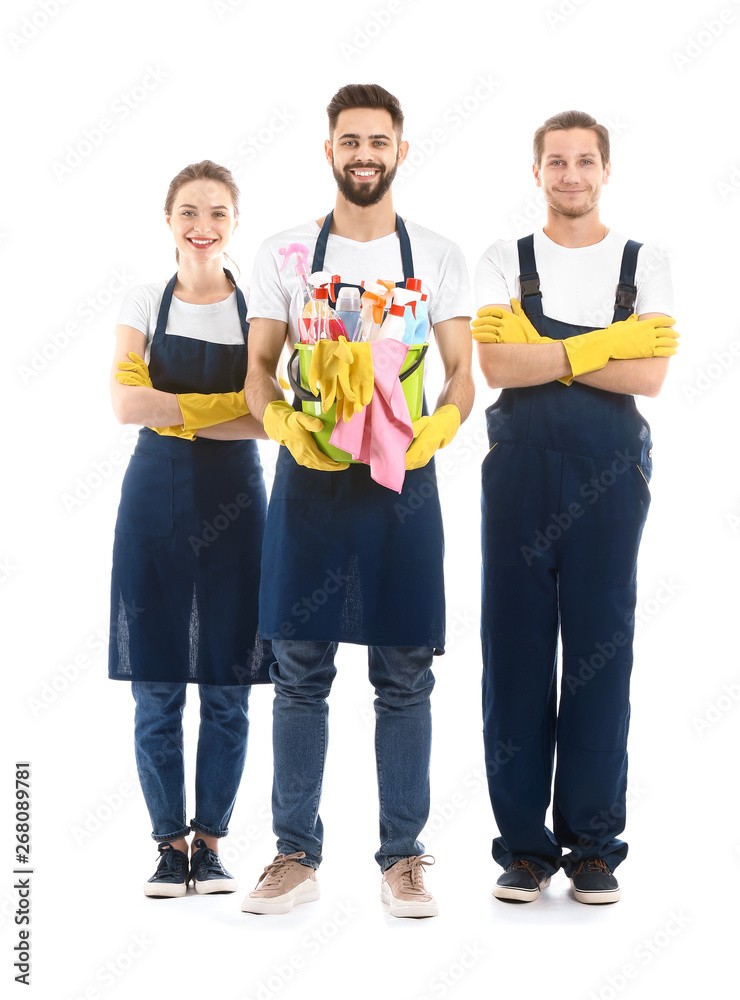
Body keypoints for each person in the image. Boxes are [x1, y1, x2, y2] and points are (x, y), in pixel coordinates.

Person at [241, 84, 473, 918]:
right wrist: (276, 418)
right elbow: (257, 364)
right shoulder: (285, 253)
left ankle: (403, 859)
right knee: (300, 668)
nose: (364, 154)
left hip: (403, 487)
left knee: (405, 671)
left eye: (378, 141)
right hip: (308, 482)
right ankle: (294, 855)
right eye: (350, 141)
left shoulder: (436, 254)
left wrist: (441, 423)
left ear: (401, 151)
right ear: (329, 150)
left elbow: (462, 374)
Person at [472, 111, 679, 904]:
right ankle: (524, 851)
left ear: (605, 170)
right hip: (519, 477)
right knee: (515, 656)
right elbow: (495, 364)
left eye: (584, 161)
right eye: (555, 161)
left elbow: (651, 378)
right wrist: (603, 348)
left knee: (601, 655)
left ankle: (592, 847)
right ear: (537, 173)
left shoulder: (643, 260)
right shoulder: (504, 258)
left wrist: (547, 355)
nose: (570, 175)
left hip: (609, 479)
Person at [108, 160, 273, 897]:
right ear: (168, 221)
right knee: (157, 683)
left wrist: (176, 406)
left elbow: (270, 418)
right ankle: (167, 847)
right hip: (154, 500)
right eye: (188, 213)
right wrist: (219, 411)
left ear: (236, 224)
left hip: (239, 502)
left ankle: (211, 844)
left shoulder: (261, 312)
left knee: (230, 682)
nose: (203, 227)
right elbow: (124, 405)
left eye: (217, 214)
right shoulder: (144, 301)